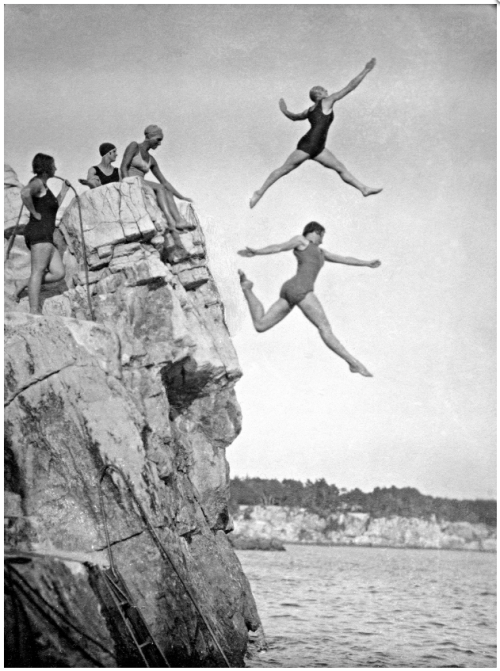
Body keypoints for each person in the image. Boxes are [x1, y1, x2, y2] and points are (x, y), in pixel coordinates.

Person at [237, 221, 381, 377]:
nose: (322, 241)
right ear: (316, 232)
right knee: (324, 327)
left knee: (261, 324)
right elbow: (279, 247)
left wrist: (366, 263)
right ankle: (354, 363)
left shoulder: (321, 253)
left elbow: (345, 259)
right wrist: (257, 251)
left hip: (290, 289)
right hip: (302, 289)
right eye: (322, 236)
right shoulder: (301, 241)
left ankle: (247, 288)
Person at [250, 59, 382, 208]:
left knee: (340, 167)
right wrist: (366, 70)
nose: (327, 91)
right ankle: (259, 192)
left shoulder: (310, 110)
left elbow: (294, 117)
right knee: (284, 169)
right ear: (319, 94)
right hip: (309, 144)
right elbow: (349, 87)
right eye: (324, 90)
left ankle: (363, 189)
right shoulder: (327, 101)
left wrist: (284, 110)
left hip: (319, 147)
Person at [15, 153, 71, 314]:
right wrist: (34, 212)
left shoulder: (44, 187)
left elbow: (53, 209)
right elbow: (25, 193)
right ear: (46, 168)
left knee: (59, 273)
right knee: (38, 271)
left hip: (45, 234)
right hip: (38, 232)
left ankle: (24, 283)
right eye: (53, 165)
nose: (56, 168)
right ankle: (34, 311)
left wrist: (64, 190)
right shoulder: (37, 183)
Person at [120, 125, 193, 235]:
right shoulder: (134, 146)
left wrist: (180, 196)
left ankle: (179, 221)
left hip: (142, 182)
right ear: (149, 136)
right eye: (158, 139)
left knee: (166, 189)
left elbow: (164, 181)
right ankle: (171, 222)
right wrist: (126, 183)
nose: (159, 143)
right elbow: (123, 166)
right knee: (160, 187)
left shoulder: (151, 159)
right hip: (130, 180)